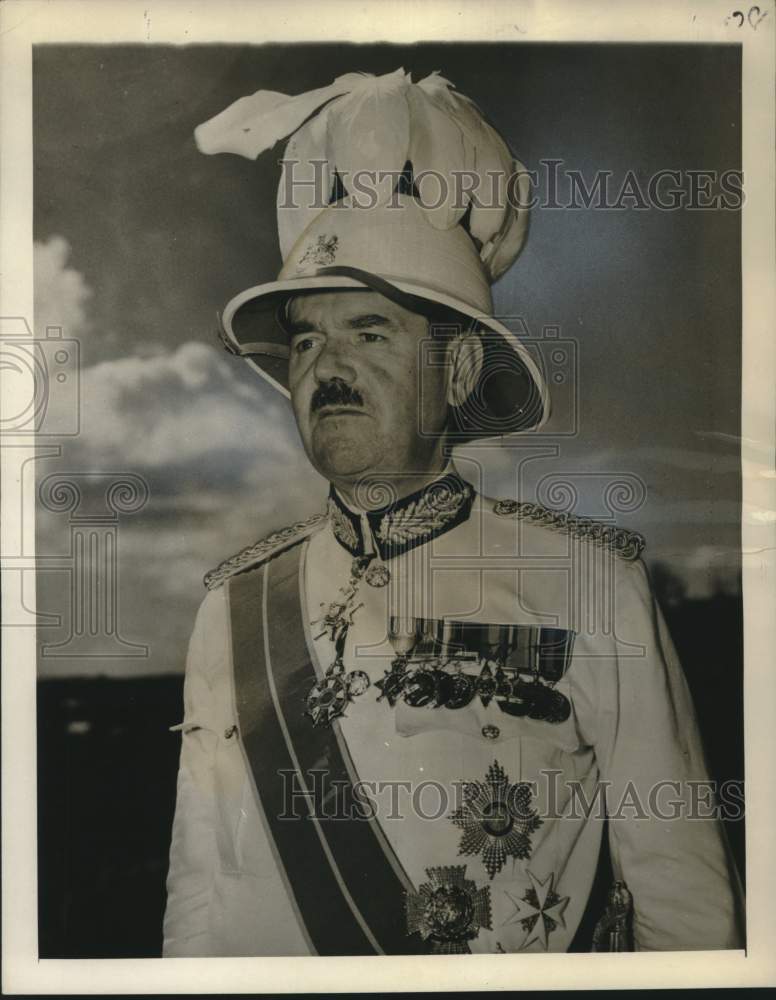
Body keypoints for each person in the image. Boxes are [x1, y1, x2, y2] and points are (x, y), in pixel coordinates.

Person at [162, 70, 744, 956]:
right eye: (309, 338)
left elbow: (680, 890)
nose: (327, 365)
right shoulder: (231, 608)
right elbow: (200, 892)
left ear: (461, 372)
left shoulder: (589, 583)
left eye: (370, 330)